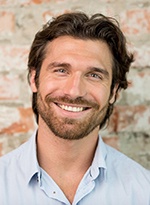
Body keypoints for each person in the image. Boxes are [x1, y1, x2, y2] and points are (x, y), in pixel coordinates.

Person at [0, 12, 150, 205]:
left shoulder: (143, 191)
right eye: (61, 70)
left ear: (114, 92)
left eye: (94, 75)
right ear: (33, 79)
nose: (74, 91)